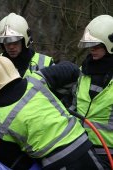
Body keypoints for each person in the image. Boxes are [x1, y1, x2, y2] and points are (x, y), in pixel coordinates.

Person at [0, 55, 106, 170]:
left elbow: (15, 159)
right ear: (12, 70)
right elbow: (71, 69)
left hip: (56, 163)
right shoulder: (36, 80)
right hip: (82, 145)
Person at [69, 14, 113, 168]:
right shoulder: (83, 71)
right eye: (90, 44)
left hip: (108, 152)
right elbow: (74, 107)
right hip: (81, 146)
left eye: (97, 45)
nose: (92, 49)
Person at [0, 12, 53, 89]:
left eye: (15, 42)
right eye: (6, 41)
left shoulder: (45, 63)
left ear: (24, 40)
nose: (11, 47)